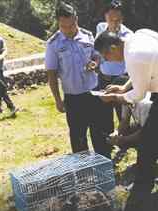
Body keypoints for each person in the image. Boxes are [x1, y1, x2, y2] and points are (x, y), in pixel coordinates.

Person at [94, 29, 158, 210]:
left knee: (149, 140)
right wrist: (122, 87)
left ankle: (144, 189)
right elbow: (140, 73)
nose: (106, 60)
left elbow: (138, 95)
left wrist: (115, 98)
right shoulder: (137, 37)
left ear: (114, 47)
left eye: (105, 55)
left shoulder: (134, 55)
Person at [45, 2, 112, 158]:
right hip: (73, 98)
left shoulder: (87, 35)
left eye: (72, 25)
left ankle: (104, 168)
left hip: (94, 93)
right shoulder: (53, 44)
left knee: (100, 134)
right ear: (59, 23)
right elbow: (52, 74)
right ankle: (84, 176)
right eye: (64, 26)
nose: (69, 30)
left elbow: (97, 56)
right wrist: (57, 100)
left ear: (76, 19)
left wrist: (95, 63)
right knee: (78, 137)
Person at [95, 0, 133, 120]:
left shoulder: (128, 37)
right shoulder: (100, 27)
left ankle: (123, 136)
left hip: (121, 80)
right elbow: (99, 50)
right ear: (105, 16)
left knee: (123, 115)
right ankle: (106, 138)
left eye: (118, 20)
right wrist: (96, 62)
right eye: (111, 20)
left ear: (123, 19)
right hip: (103, 77)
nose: (114, 24)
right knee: (103, 117)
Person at [0, 35, 17, 115]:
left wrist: (2, 56)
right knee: (2, 87)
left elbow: (5, 50)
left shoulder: (0, 40)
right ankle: (11, 107)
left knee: (1, 88)